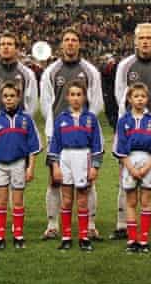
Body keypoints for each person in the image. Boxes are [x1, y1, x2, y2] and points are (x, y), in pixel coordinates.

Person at [40, 28, 104, 241]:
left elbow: (96, 102)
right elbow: (46, 103)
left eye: (74, 40)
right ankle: (52, 225)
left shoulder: (90, 71)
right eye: (66, 40)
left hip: (83, 134)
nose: (70, 43)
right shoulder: (51, 71)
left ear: (79, 44)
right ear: (61, 44)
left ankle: (90, 226)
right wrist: (54, 127)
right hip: (58, 133)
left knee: (88, 181)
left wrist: (85, 125)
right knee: (54, 179)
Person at [114, 23, 151, 241]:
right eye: (141, 38)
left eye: (149, 38)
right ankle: (122, 225)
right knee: (125, 176)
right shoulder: (125, 66)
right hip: (131, 133)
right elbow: (120, 98)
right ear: (135, 41)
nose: (145, 41)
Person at [0, 32, 37, 241]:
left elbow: (31, 104)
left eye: (10, 44)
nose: (5, 47)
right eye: (2, 43)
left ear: (17, 48)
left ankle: (15, 229)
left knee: (16, 187)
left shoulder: (27, 74)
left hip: (17, 135)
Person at [0, 82, 41, 251]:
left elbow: (33, 146)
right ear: (2, 98)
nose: (9, 99)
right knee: (1, 201)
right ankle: (0, 236)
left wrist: (30, 168)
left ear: (19, 97)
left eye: (12, 96)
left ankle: (18, 235)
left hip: (18, 164)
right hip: (0, 165)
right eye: (6, 96)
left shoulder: (26, 119)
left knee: (17, 201)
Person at [48, 80, 104, 252]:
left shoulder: (91, 119)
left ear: (84, 97)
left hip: (83, 157)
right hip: (65, 158)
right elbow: (54, 144)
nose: (75, 98)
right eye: (72, 94)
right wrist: (55, 166)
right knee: (66, 200)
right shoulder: (61, 119)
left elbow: (97, 145)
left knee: (82, 199)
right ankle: (66, 237)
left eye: (79, 94)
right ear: (67, 97)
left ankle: (83, 237)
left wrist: (94, 167)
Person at [113, 83, 151, 254]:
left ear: (147, 99)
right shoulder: (123, 121)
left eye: (143, 96)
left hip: (147, 161)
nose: (140, 99)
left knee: (146, 202)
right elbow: (119, 148)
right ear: (130, 99)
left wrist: (148, 166)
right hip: (129, 162)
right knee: (131, 202)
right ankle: (132, 239)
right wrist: (131, 168)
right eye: (136, 96)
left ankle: (144, 239)